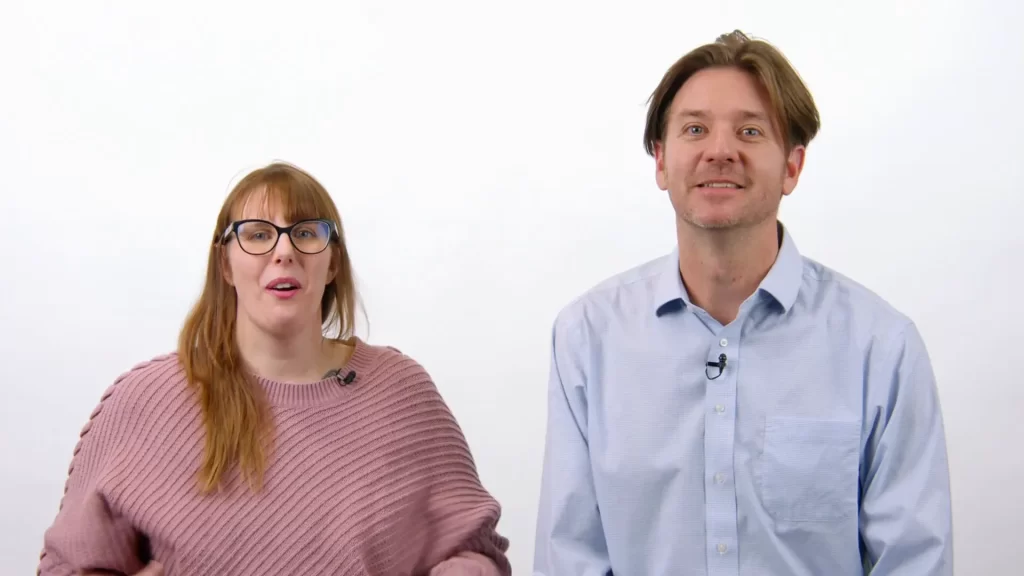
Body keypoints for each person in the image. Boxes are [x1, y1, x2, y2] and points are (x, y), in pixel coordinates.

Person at [533, 30, 953, 575]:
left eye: (750, 131)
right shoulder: (587, 338)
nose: (720, 150)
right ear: (661, 161)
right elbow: (571, 558)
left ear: (792, 167)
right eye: (694, 129)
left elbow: (914, 562)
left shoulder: (881, 347)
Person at [38, 161, 511, 576]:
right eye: (259, 233)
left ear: (331, 264)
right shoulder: (146, 401)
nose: (284, 251)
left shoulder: (401, 392)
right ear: (225, 263)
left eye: (306, 232)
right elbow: (71, 564)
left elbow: (473, 550)